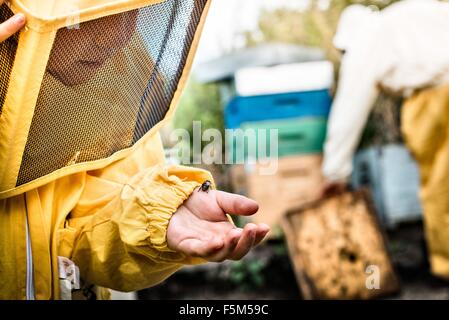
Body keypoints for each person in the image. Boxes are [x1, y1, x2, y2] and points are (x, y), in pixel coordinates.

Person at [0, 3, 269, 300]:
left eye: (132, 10)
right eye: (93, 9)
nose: (116, 37)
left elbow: (87, 234)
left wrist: (157, 216)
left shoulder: (123, 73)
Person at [321, 0, 449, 279]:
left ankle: (446, 267)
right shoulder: (410, 11)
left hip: (436, 99)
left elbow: (350, 107)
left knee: (440, 188)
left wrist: (335, 172)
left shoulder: (368, 38)